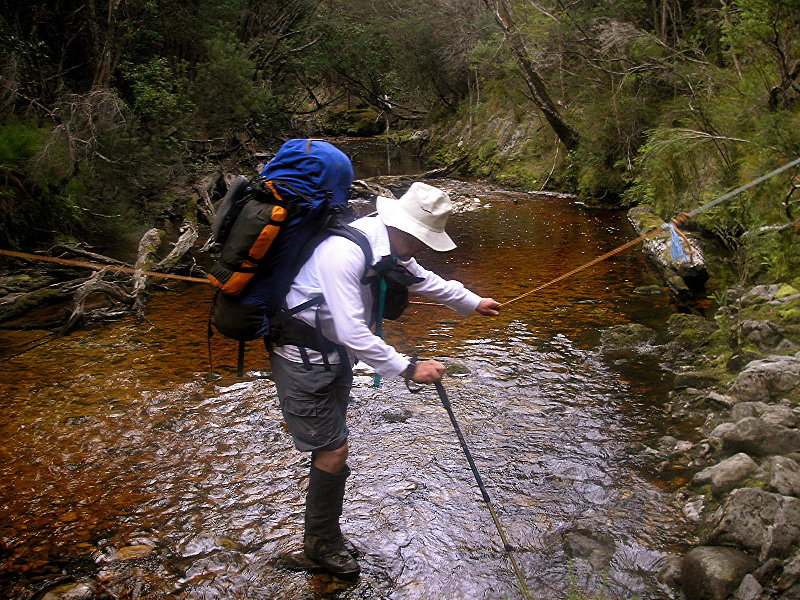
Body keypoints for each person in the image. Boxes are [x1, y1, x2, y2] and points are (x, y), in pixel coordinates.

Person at [270, 180, 501, 577]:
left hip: (330, 353)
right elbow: (352, 331)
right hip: (303, 355)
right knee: (333, 450)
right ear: (406, 229)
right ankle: (321, 544)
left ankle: (322, 533)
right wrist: (410, 369)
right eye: (425, 239)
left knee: (331, 447)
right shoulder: (344, 251)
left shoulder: (388, 245)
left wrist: (472, 302)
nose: (426, 248)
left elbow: (422, 280)